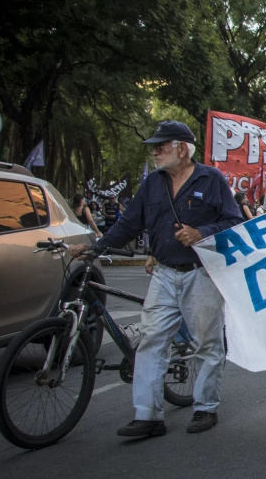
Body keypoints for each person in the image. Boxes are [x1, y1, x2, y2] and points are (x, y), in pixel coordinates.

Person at [68, 120, 243, 437]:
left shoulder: (211, 179)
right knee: (151, 342)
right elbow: (129, 224)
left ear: (181, 148)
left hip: (200, 274)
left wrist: (201, 232)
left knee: (208, 343)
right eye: (154, 146)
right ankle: (148, 416)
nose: (155, 151)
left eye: (161, 146)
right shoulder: (152, 184)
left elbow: (234, 223)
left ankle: (205, 407)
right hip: (163, 273)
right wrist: (95, 247)